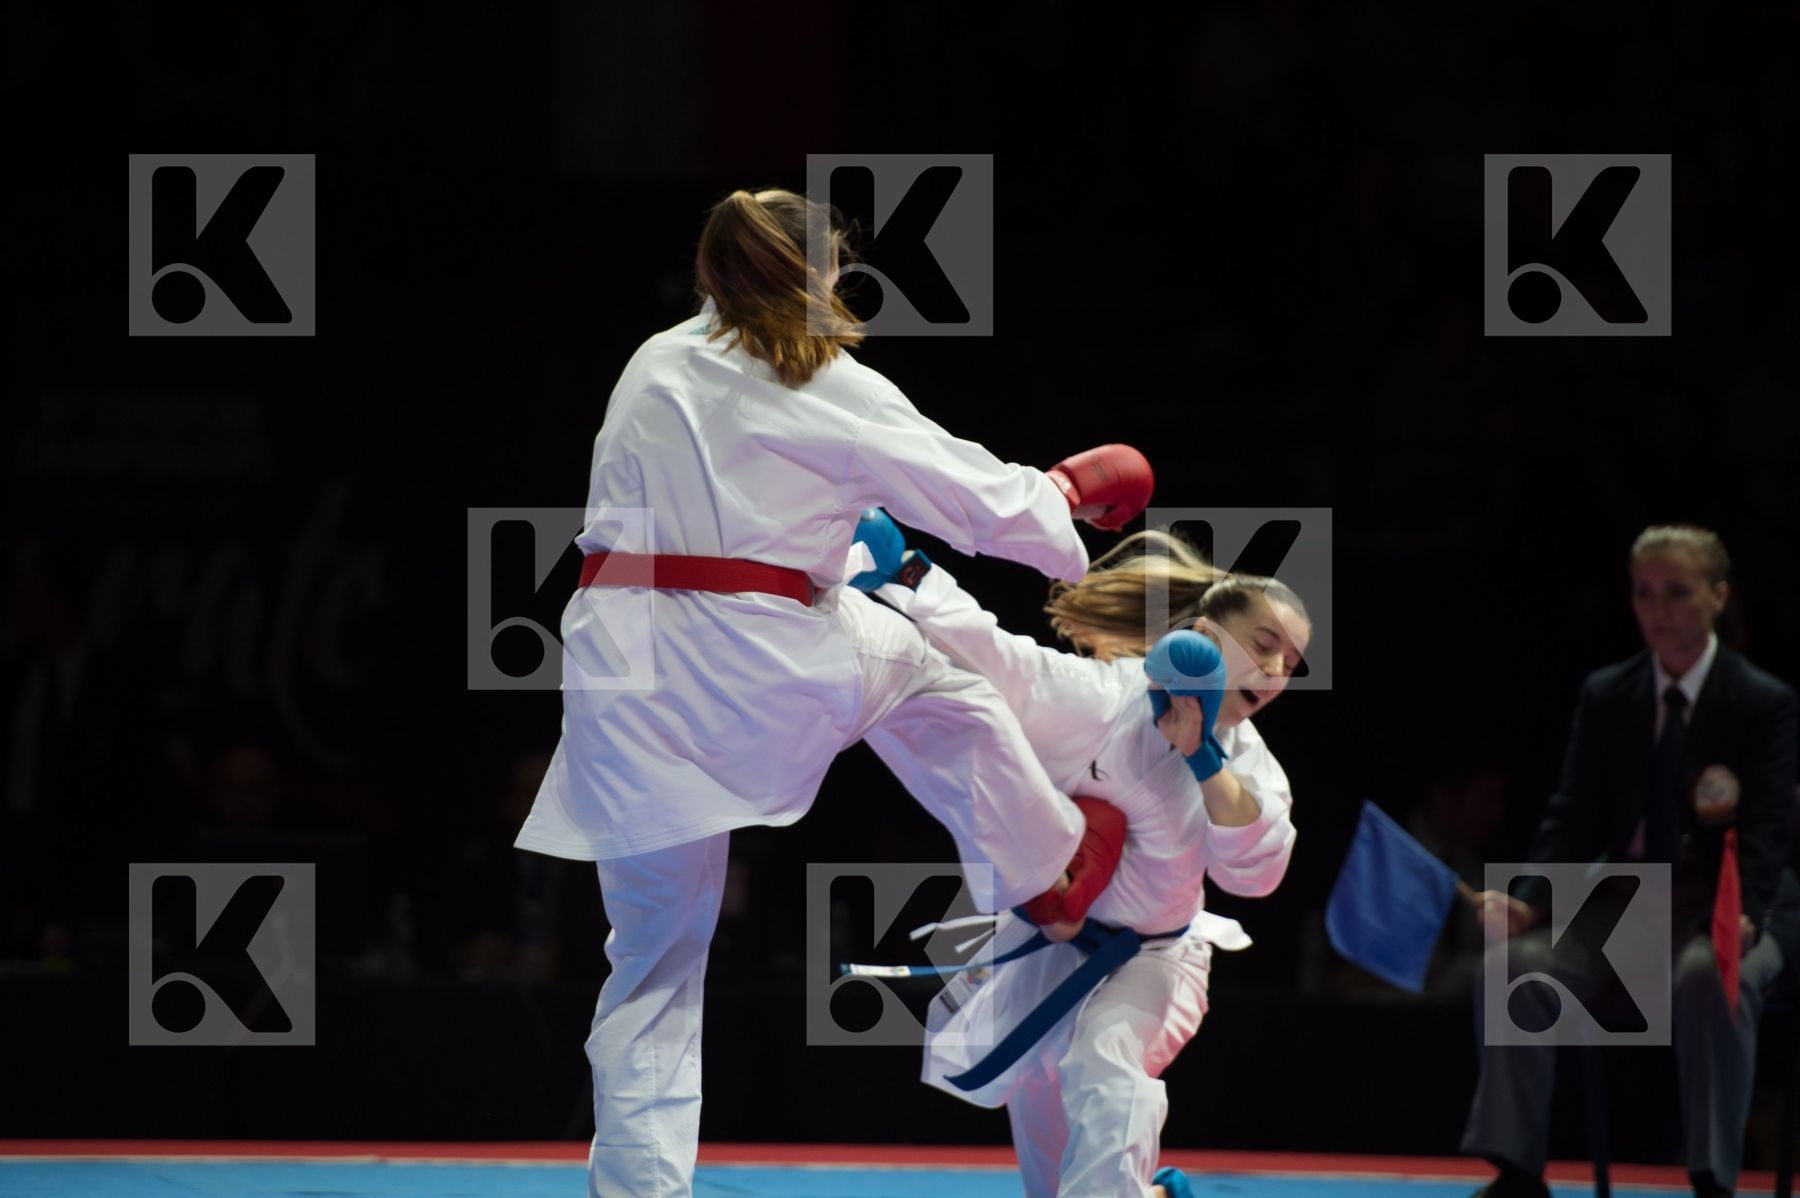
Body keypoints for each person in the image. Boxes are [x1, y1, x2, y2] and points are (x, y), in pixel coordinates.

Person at [510, 187, 1155, 1198]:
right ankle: (1052, 872)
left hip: (621, 677)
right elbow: (979, 500)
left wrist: (837, 544)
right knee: (938, 680)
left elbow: (714, 512)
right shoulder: (829, 383)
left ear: (711, 275)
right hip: (754, 661)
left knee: (652, 962)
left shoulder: (651, 365)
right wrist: (1066, 494)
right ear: (822, 276)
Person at [853, 523, 1308, 1198]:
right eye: (1264, 647)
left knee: (1105, 1062)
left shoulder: (1246, 762)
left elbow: (1258, 873)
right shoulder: (1101, 700)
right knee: (1055, 1173)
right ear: (1205, 631)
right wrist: (912, 572)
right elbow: (1000, 656)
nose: (1274, 674)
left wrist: (1203, 758)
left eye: (1290, 666)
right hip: (1050, 952)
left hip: (1158, 959)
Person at [1464, 524, 1800, 1198]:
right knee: (1513, 966)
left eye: (1678, 592)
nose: (1659, 609)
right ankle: (1517, 1172)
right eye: (1644, 593)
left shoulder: (1762, 701)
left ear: (1717, 597)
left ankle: (1712, 1180)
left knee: (1714, 973)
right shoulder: (1610, 694)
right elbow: (1572, 814)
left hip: (1734, 903)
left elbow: (1768, 829)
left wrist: (1749, 917)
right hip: (1632, 904)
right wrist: (1529, 897)